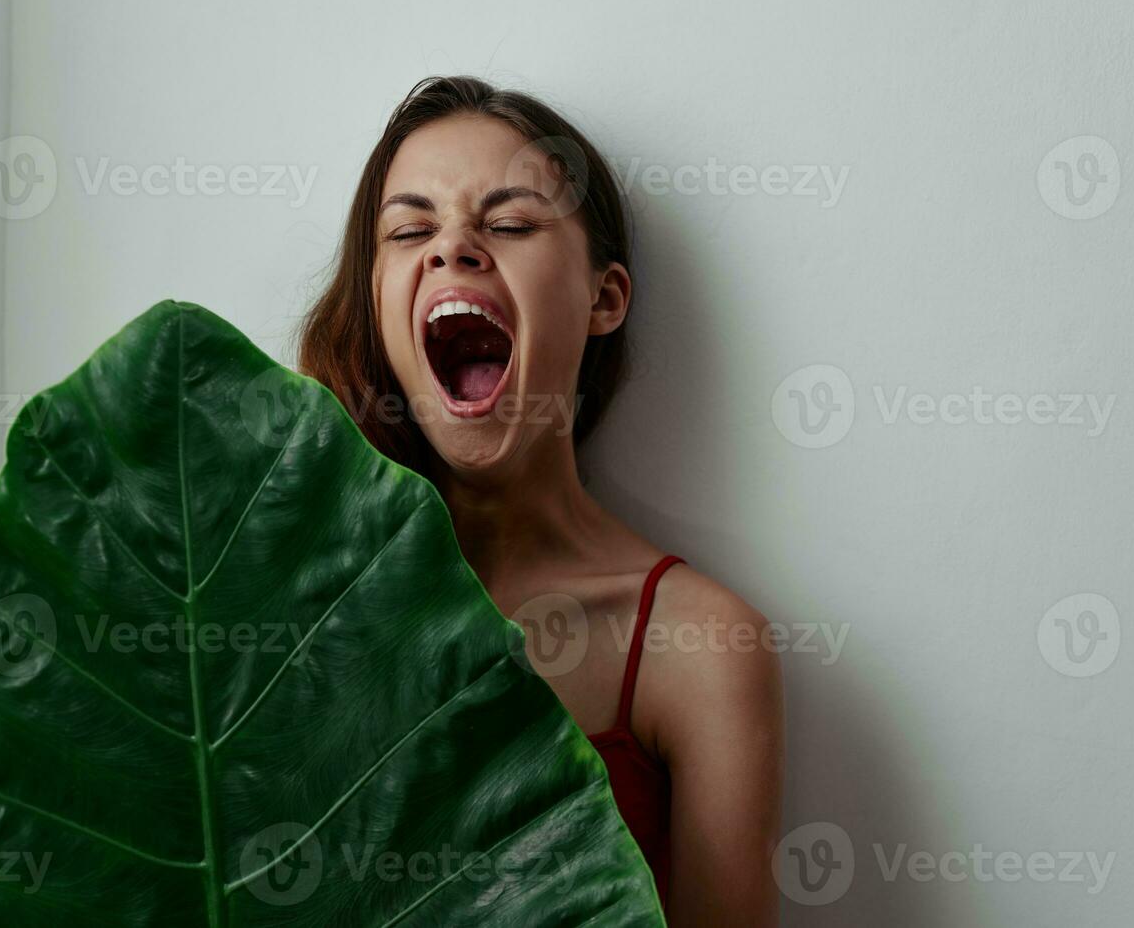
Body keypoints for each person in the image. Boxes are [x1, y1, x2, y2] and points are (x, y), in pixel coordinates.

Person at [298, 75, 784, 926]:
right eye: (410, 229)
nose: (451, 248)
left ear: (604, 299)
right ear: (376, 305)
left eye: (511, 223)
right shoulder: (293, 603)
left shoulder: (701, 644)